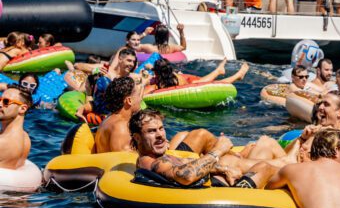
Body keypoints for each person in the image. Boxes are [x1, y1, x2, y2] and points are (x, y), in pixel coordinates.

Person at [130, 109, 278, 188]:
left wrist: (224, 169)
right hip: (229, 196)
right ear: (137, 138)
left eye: (161, 129)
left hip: (219, 182)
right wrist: (218, 150)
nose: (160, 135)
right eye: (151, 131)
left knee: (257, 163)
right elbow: (185, 176)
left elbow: (187, 164)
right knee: (265, 167)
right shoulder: (150, 162)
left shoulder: (160, 158)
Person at [94, 76, 145, 153]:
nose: (140, 99)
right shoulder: (120, 127)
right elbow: (125, 162)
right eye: (138, 95)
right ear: (129, 100)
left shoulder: (109, 118)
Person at [146, 57, 249, 93]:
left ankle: (238, 75)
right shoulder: (173, 76)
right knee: (198, 82)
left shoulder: (162, 83)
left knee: (213, 84)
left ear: (156, 72)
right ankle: (219, 70)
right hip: (188, 84)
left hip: (187, 89)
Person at [92, 47, 138, 117]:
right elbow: (78, 65)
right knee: (101, 80)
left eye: (133, 62)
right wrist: (95, 70)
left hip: (122, 112)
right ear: (120, 59)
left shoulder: (133, 78)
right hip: (104, 111)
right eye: (129, 60)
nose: (132, 64)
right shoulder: (108, 73)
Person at [0, 85, 32, 169]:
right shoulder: (25, 137)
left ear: (22, 109)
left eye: (6, 101)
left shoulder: (3, 142)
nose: (0, 104)